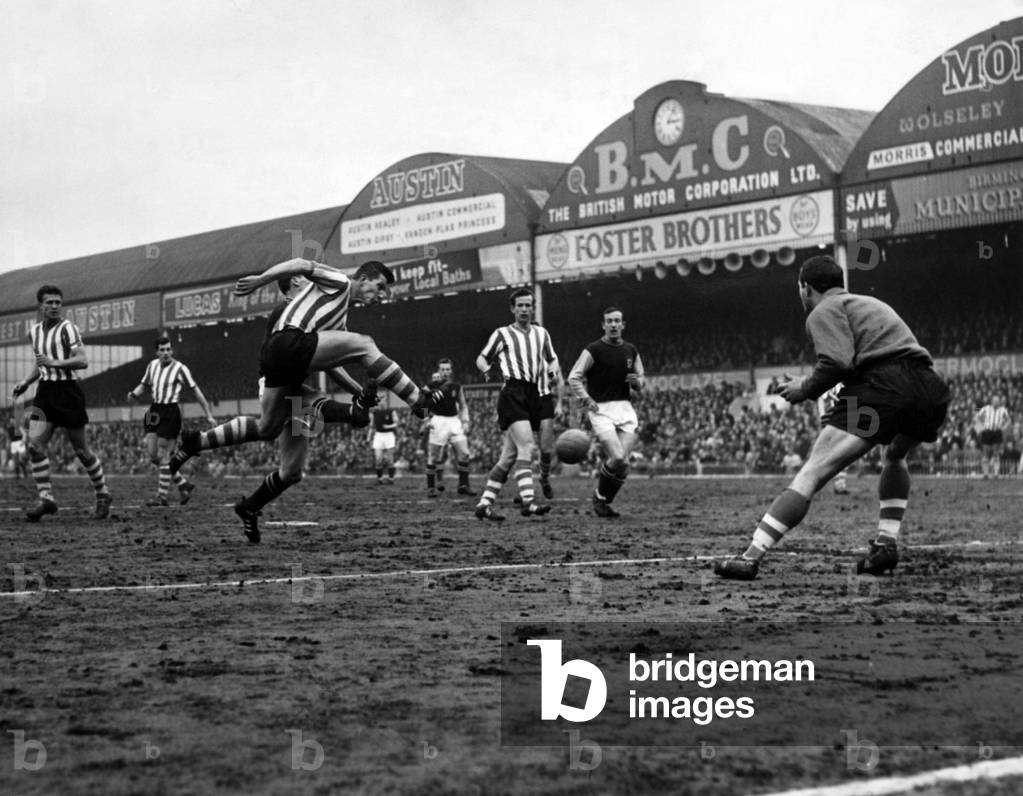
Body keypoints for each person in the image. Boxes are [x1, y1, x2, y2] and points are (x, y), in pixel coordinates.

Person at [715, 255, 950, 581]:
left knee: (812, 473)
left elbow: (838, 362)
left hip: (881, 386)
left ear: (805, 288)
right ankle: (885, 545)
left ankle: (751, 556)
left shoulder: (822, 310)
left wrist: (805, 388)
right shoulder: (870, 302)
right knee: (894, 454)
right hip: (930, 389)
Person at [226, 257, 440, 542]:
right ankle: (416, 399)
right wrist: (259, 280)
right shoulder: (339, 281)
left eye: (384, 293)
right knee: (364, 343)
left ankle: (248, 505)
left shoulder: (339, 319)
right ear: (363, 279)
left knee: (277, 445)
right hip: (288, 345)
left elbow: (332, 363)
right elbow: (302, 262)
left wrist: (357, 392)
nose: (380, 296)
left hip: (287, 367)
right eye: (379, 288)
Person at [168, 274, 375, 477]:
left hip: (291, 386)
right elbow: (322, 363)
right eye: (306, 279)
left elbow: (329, 364)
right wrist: (357, 393)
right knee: (285, 419)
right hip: (276, 384)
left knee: (290, 466)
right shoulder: (287, 312)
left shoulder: (303, 313)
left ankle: (201, 444)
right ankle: (352, 413)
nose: (313, 284)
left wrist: (356, 390)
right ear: (295, 281)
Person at [11, 285, 112, 521]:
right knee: (35, 447)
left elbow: (83, 360)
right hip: (45, 393)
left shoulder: (68, 328)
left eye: (58, 302)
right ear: (40, 306)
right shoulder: (34, 332)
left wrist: (54, 363)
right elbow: (40, 363)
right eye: (50, 302)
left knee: (82, 452)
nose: (55, 306)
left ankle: (102, 493)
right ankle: (46, 499)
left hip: (68, 393)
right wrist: (26, 381)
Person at [473, 287, 556, 520]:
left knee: (508, 457)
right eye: (520, 305)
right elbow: (481, 357)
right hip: (513, 392)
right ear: (512, 308)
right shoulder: (502, 334)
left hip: (534, 393)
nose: (524, 309)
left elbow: (552, 359)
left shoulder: (542, 334)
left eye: (528, 305)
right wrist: (486, 369)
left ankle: (484, 504)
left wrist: (554, 369)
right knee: (527, 446)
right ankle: (528, 502)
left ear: (533, 307)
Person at [567, 306, 645, 518]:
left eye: (616, 321)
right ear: (603, 325)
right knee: (618, 456)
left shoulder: (631, 350)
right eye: (609, 321)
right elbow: (573, 376)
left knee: (624, 464)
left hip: (625, 408)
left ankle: (603, 501)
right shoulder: (593, 349)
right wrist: (586, 398)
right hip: (601, 409)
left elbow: (641, 379)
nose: (613, 324)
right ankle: (599, 496)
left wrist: (638, 383)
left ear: (623, 325)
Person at [127, 337, 217, 506]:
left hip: (171, 412)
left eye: (168, 349)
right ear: (157, 352)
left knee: (163, 455)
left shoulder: (180, 369)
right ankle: (183, 485)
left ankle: (161, 497)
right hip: (154, 411)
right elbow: (143, 385)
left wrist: (208, 414)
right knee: (154, 455)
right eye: (162, 350)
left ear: (172, 350)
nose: (166, 353)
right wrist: (134, 394)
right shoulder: (152, 365)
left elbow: (196, 391)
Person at [425, 358, 475, 497]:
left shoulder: (456, 386)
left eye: (447, 369)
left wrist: (465, 421)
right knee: (433, 456)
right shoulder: (430, 386)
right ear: (439, 371)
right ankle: (430, 488)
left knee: (464, 454)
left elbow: (463, 405)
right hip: (438, 421)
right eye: (443, 369)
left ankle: (463, 485)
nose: (445, 372)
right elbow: (422, 404)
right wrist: (425, 420)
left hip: (454, 421)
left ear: (451, 370)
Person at [974, 394, 1010, 478]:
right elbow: (977, 418)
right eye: (994, 401)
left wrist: (1003, 428)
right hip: (987, 432)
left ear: (999, 402)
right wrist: (980, 429)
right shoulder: (985, 408)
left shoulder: (1003, 410)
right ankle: (986, 473)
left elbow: (1008, 420)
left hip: (997, 432)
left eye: (997, 401)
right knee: (985, 453)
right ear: (991, 401)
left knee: (996, 453)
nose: (996, 402)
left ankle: (996, 473)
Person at [370, 404, 398, 484]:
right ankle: (380, 479)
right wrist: (369, 437)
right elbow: (372, 426)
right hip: (378, 435)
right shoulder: (374, 413)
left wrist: (388, 426)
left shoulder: (391, 412)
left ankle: (391, 479)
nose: (381, 404)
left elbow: (396, 423)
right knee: (378, 459)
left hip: (389, 435)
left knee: (390, 459)